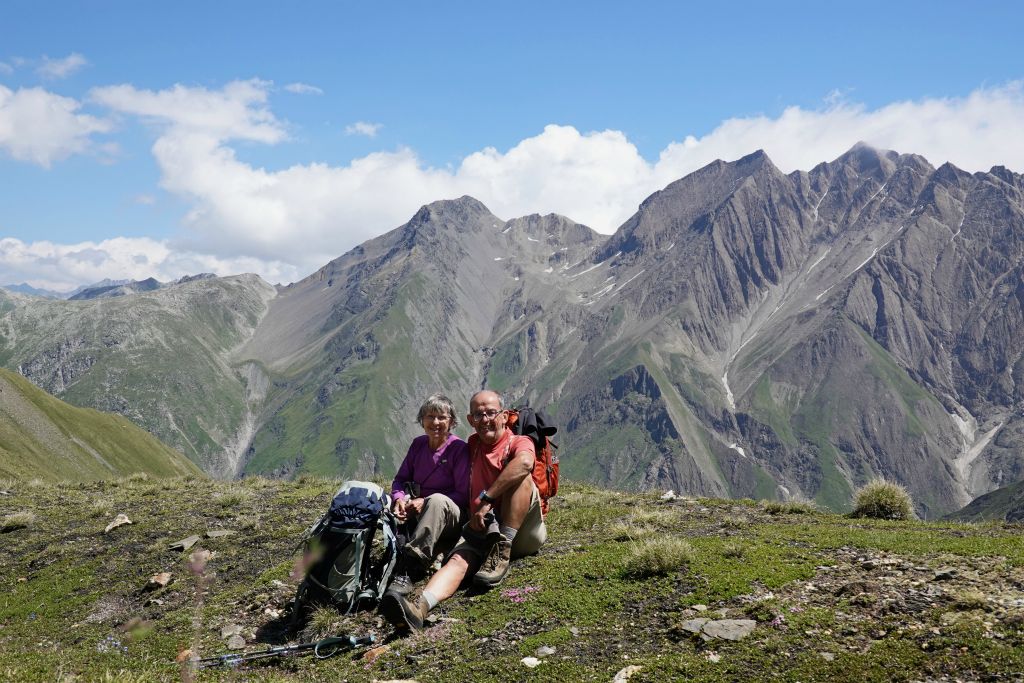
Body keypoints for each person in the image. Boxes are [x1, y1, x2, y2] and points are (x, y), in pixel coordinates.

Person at [381, 390, 547, 630]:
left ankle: (503, 546)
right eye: (479, 415)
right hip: (482, 527)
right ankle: (419, 608)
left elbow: (524, 463)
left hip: (523, 532)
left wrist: (487, 499)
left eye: (491, 413)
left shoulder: (519, 442)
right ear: (470, 421)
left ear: (503, 415)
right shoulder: (472, 445)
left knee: (520, 477)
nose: (485, 419)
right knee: (458, 560)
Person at [386, 393, 470, 596]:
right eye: (430, 416)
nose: (435, 422)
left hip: (449, 515)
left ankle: (410, 567)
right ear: (422, 420)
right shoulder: (418, 445)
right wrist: (398, 499)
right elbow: (400, 479)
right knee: (379, 499)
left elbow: (463, 494)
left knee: (437, 501)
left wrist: (425, 502)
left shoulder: (459, 449)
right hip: (417, 508)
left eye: (442, 417)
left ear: (451, 422)